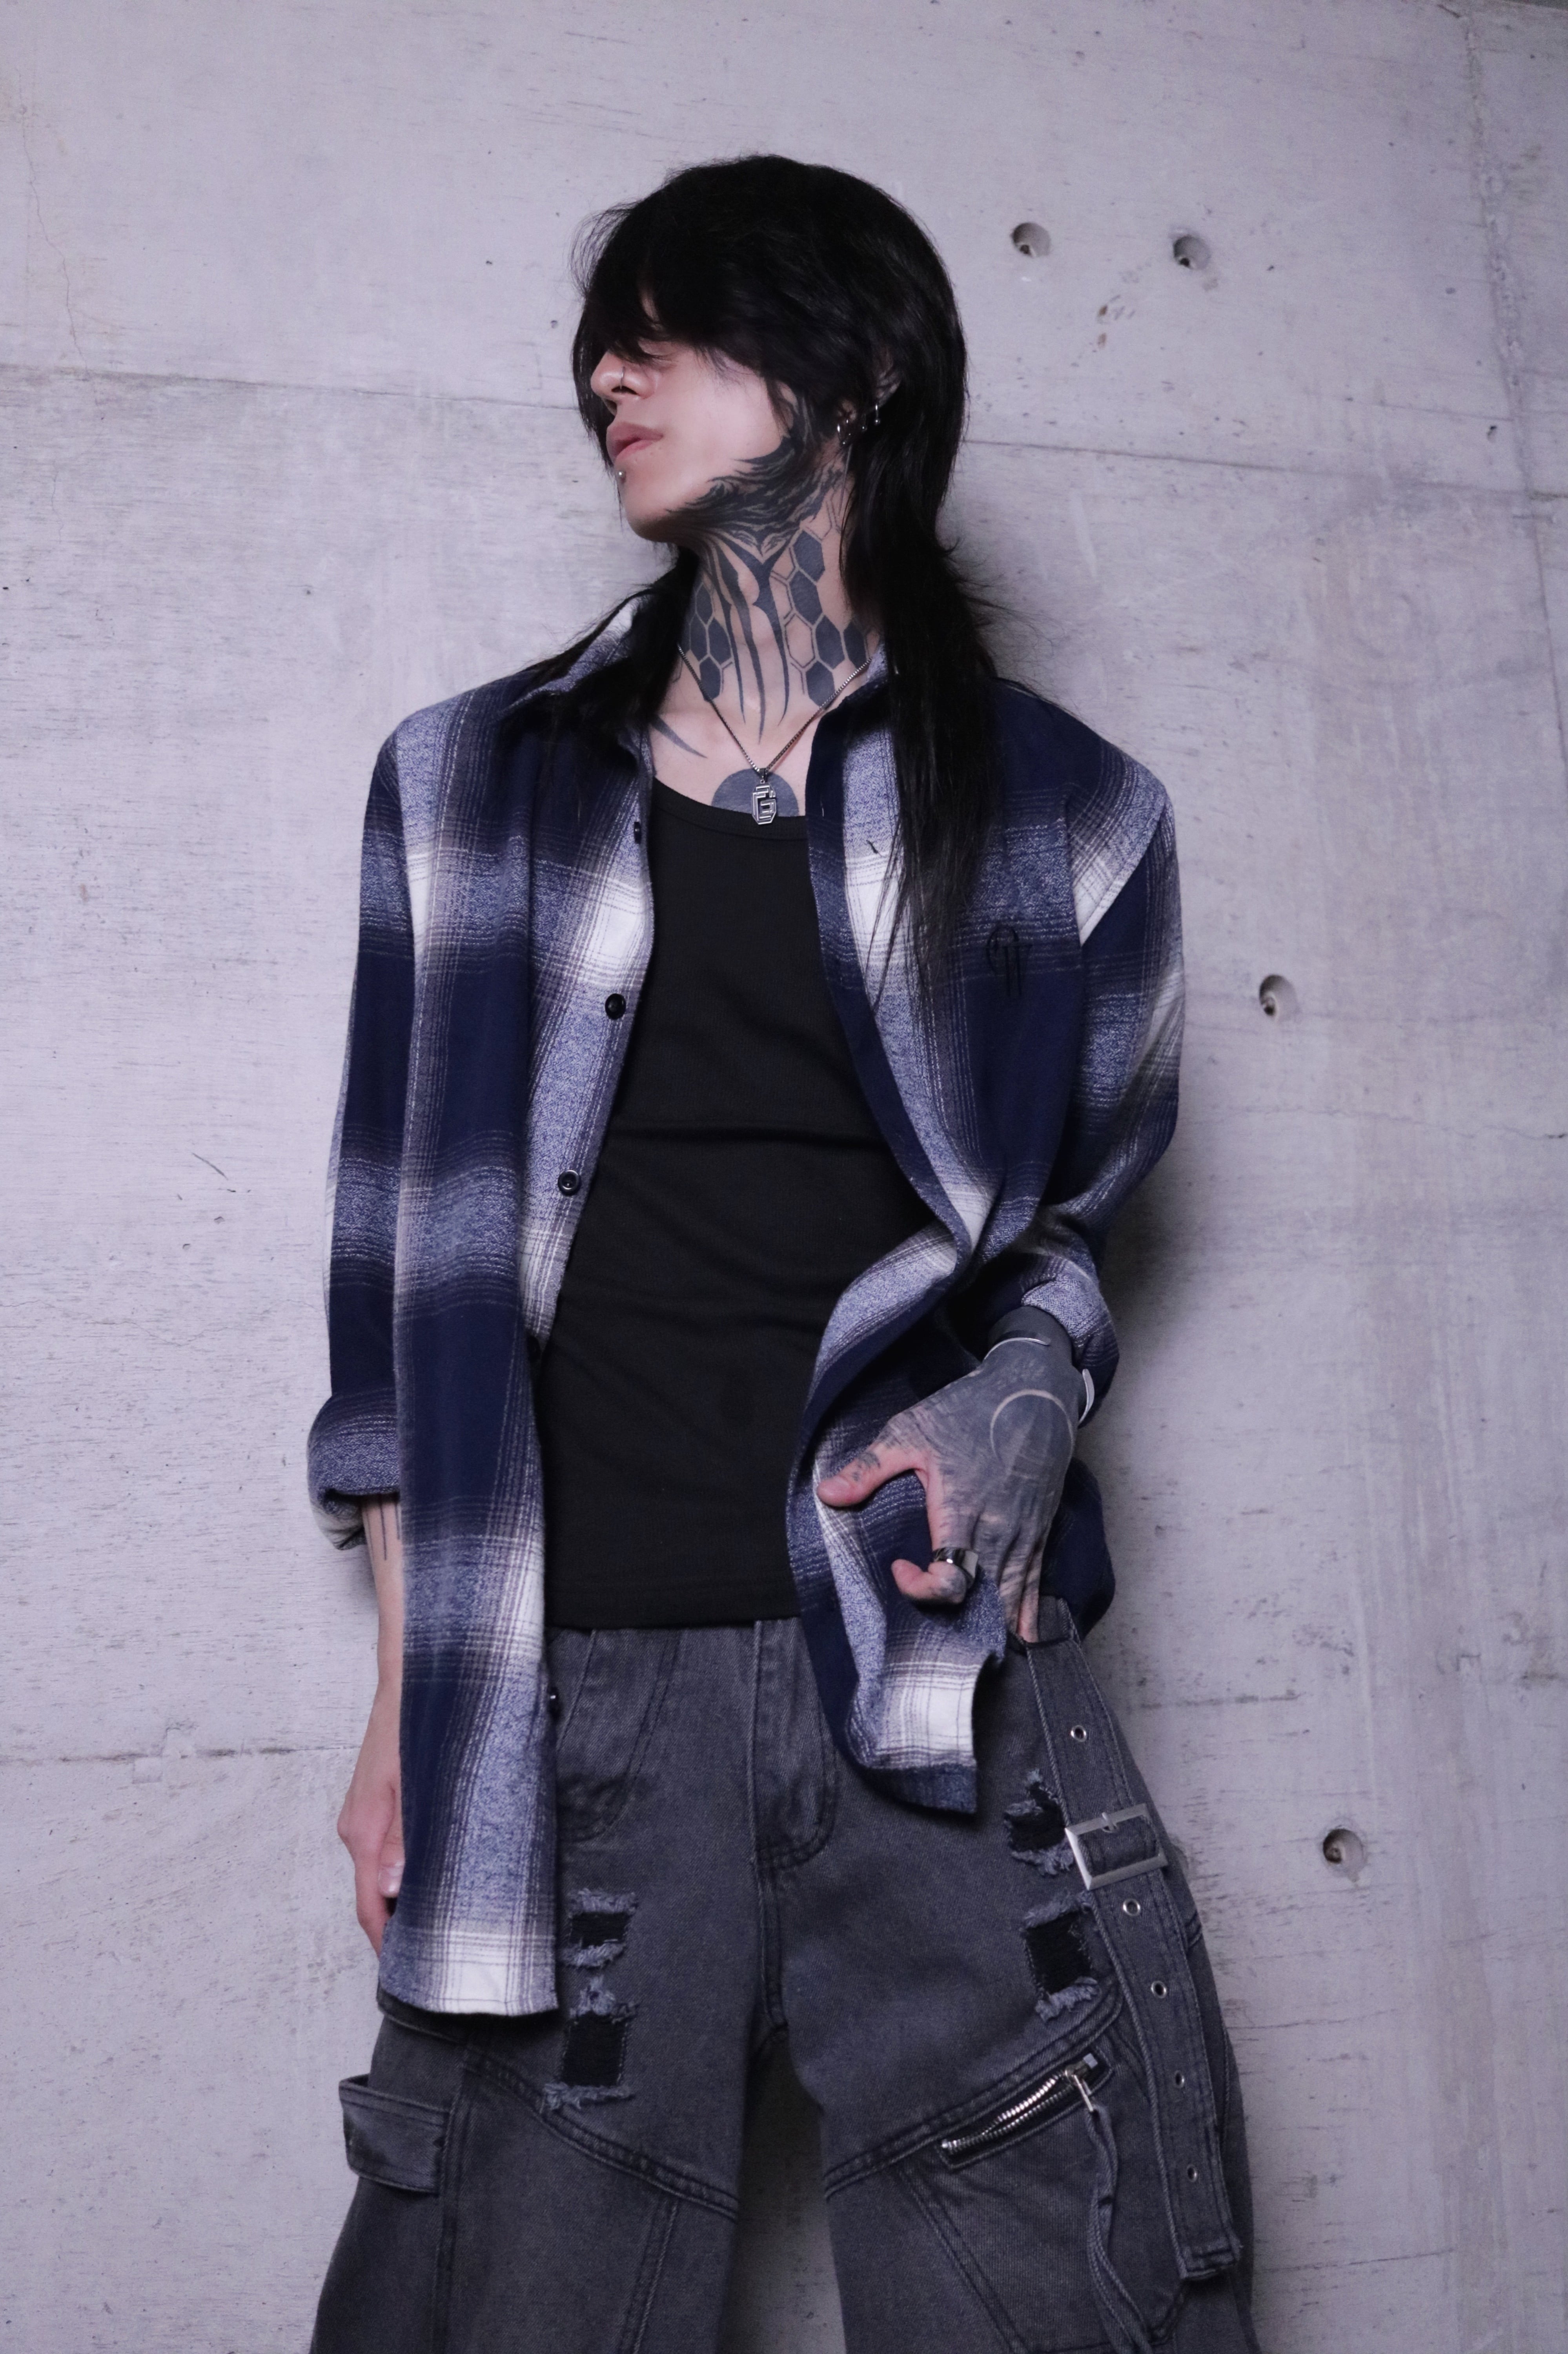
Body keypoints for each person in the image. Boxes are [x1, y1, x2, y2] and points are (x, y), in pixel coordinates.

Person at [307, 154, 1259, 2354]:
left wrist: (1032, 1383)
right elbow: (396, 1290)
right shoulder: (466, 787)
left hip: (936, 1668)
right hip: (570, 1696)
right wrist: (409, 1707)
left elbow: (1074, 1230)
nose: (609, 379)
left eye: (673, 328)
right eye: (598, 352)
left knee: (1072, 2296)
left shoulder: (1075, 818)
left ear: (865, 371)